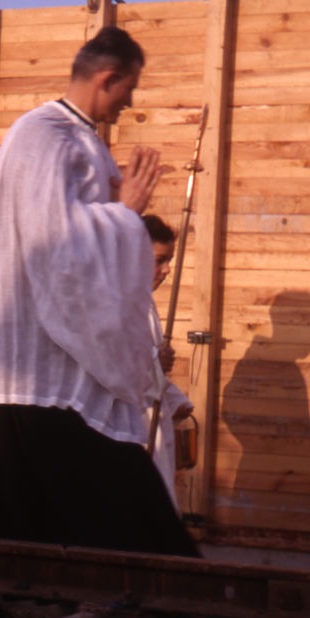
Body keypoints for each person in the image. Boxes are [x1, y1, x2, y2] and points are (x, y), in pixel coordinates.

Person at [0, 27, 200, 618]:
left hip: (39, 347)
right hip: (45, 347)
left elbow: (72, 233)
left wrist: (115, 215)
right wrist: (126, 216)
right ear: (106, 78)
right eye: (128, 89)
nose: (128, 105)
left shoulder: (73, 140)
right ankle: (183, 597)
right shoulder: (47, 137)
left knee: (4, 488)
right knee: (115, 471)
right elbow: (54, 244)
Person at [141, 214, 194, 507]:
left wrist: (177, 400)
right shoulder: (116, 303)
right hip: (129, 430)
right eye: (159, 260)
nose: (167, 270)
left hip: (153, 423)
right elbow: (111, 366)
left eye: (169, 260)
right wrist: (153, 360)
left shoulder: (145, 302)